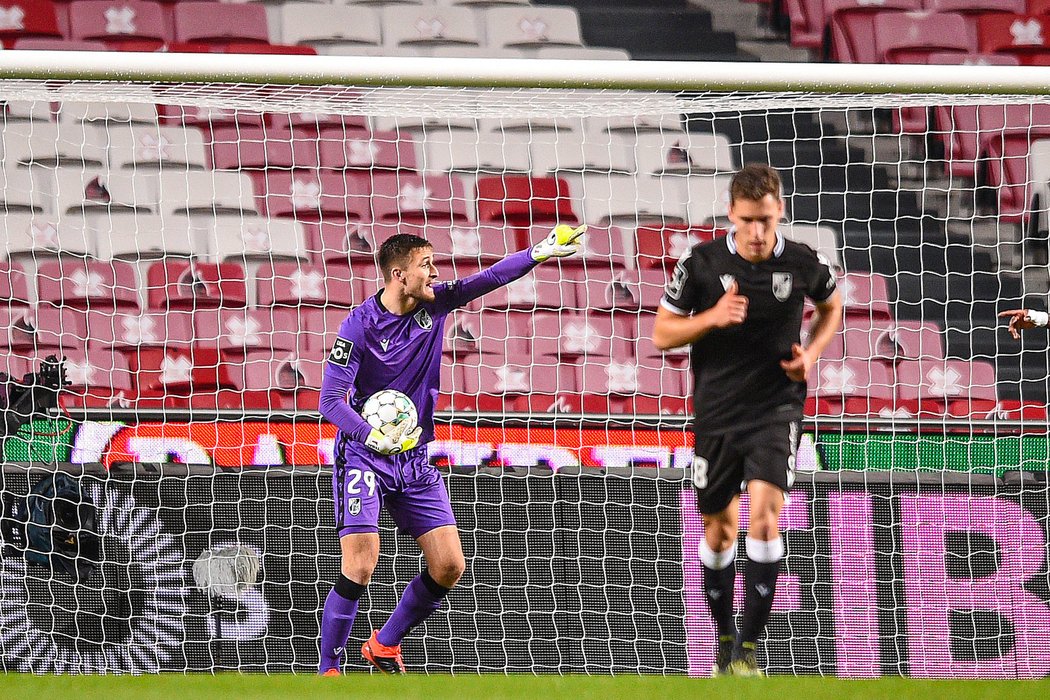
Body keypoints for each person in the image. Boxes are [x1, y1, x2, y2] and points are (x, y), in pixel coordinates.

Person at [316, 224, 586, 675]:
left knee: (449, 566)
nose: (435, 273)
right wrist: (369, 435)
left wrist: (538, 252)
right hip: (364, 455)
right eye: (426, 266)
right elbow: (329, 400)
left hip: (413, 458)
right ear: (398, 274)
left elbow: (490, 278)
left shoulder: (436, 304)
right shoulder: (357, 327)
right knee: (361, 564)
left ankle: (384, 645)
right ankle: (329, 671)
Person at [651, 163, 842, 677]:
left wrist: (813, 353)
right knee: (719, 531)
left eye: (766, 219)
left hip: (776, 406)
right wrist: (712, 317)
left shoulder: (804, 261)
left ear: (780, 211)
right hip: (716, 412)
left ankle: (750, 650)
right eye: (747, 220)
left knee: (765, 513)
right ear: (732, 215)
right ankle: (723, 632)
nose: (757, 232)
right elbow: (661, 335)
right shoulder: (702, 264)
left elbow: (832, 305)